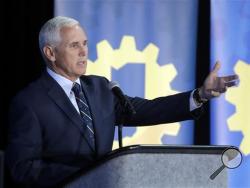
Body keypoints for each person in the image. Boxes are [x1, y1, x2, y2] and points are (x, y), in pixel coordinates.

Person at [5, 16, 238, 187]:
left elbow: (147, 110)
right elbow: (23, 169)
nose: (84, 52)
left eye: (85, 43)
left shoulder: (99, 87)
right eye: (74, 45)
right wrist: (86, 176)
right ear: (50, 52)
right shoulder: (29, 102)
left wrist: (200, 95)